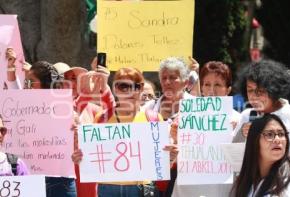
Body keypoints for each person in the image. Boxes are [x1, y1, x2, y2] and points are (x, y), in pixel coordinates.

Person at [72, 67, 178, 197]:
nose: (131, 92)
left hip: (145, 188)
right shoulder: (102, 118)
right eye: (124, 86)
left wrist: (171, 157)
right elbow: (93, 156)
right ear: (115, 89)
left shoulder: (154, 119)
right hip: (109, 189)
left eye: (136, 86)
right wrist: (80, 158)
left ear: (141, 89)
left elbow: (162, 162)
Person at [172, 61, 241, 197]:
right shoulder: (185, 116)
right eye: (207, 84)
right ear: (202, 88)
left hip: (222, 191)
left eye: (218, 85)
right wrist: (175, 138)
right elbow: (171, 157)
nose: (211, 90)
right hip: (187, 191)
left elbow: (243, 163)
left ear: (228, 90)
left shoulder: (239, 120)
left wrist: (236, 136)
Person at [232, 60, 290, 164]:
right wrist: (242, 134)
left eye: (260, 91)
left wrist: (270, 161)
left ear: (274, 89)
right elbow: (233, 154)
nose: (254, 96)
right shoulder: (246, 115)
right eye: (250, 90)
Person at [26, 61, 77, 197]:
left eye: (31, 82)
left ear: (45, 83)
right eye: (26, 83)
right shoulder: (22, 108)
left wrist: (77, 130)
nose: (27, 87)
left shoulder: (65, 109)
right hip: (31, 180)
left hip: (61, 182)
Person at [142, 57, 192, 196]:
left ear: (186, 82)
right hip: (152, 180)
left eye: (173, 77)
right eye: (163, 78)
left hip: (184, 178)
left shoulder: (198, 109)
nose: (167, 82)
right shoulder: (148, 109)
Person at [230, 114, 290, 196]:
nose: (278, 140)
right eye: (269, 134)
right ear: (254, 141)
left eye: (281, 134)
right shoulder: (245, 183)